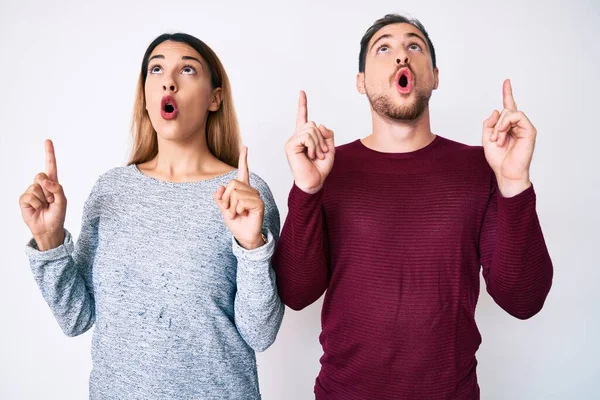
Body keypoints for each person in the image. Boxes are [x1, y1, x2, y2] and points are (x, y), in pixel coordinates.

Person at [274, 14, 553, 399]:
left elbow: (523, 300)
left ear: (435, 76)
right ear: (361, 82)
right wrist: (306, 190)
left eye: (414, 46)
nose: (401, 57)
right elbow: (296, 292)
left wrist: (514, 183)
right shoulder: (327, 169)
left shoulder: (483, 167)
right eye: (384, 48)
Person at [19, 33, 283, 399]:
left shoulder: (246, 197)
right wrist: (49, 242)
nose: (168, 80)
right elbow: (76, 318)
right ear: (146, 97)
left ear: (214, 98)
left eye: (187, 69)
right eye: (156, 69)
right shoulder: (110, 191)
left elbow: (261, 333)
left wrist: (251, 246)